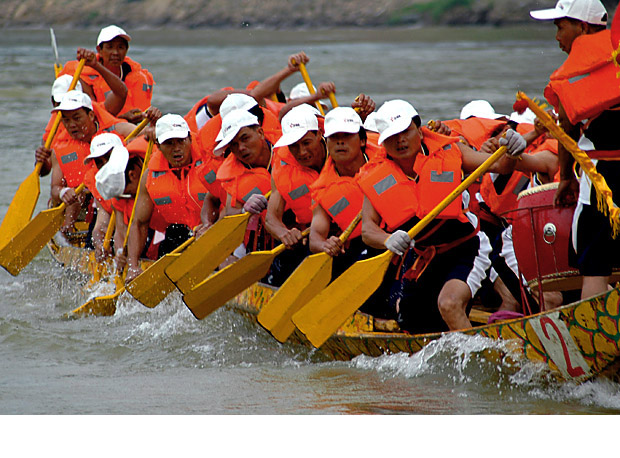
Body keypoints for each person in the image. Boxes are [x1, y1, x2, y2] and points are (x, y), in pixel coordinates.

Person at [359, 100, 525, 334]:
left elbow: (499, 165)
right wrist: (387, 239)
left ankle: (479, 361)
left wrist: (513, 150)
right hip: (424, 256)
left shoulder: (451, 151)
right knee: (411, 323)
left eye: (405, 132)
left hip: (466, 248)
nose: (400, 140)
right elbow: (368, 230)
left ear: (419, 129)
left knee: (449, 304)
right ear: (383, 141)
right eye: (392, 136)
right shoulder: (376, 175)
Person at [530, 0, 620, 300]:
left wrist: (566, 176)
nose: (557, 37)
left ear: (582, 26)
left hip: (600, 178)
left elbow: (567, 130)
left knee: (594, 266)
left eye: (560, 27)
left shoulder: (569, 76)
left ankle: (596, 343)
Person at [35, 91, 137, 240]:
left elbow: (145, 140)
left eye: (76, 118)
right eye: (66, 120)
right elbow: (55, 188)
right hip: (84, 203)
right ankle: (72, 231)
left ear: (91, 116)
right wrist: (64, 192)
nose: (71, 125)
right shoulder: (59, 148)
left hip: (118, 199)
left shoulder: (117, 130)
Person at [126, 114, 208, 282]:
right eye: (169, 143)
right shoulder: (149, 177)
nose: (176, 148)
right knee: (173, 237)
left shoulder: (208, 163)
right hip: (179, 236)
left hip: (212, 231)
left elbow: (227, 205)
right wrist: (133, 266)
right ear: (158, 146)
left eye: (181, 141)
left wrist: (211, 225)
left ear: (190, 139)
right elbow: (139, 224)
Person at [309, 106, 383, 292]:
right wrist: (325, 245)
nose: (340, 142)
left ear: (363, 140)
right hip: (363, 243)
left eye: (347, 136)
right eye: (334, 137)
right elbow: (315, 239)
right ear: (327, 143)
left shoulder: (386, 156)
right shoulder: (323, 187)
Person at [60, 25, 155, 123]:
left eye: (120, 47)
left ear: (126, 50)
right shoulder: (85, 77)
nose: (115, 52)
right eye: (110, 47)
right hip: (104, 131)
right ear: (99, 50)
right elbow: (92, 120)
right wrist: (123, 119)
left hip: (131, 131)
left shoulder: (138, 75)